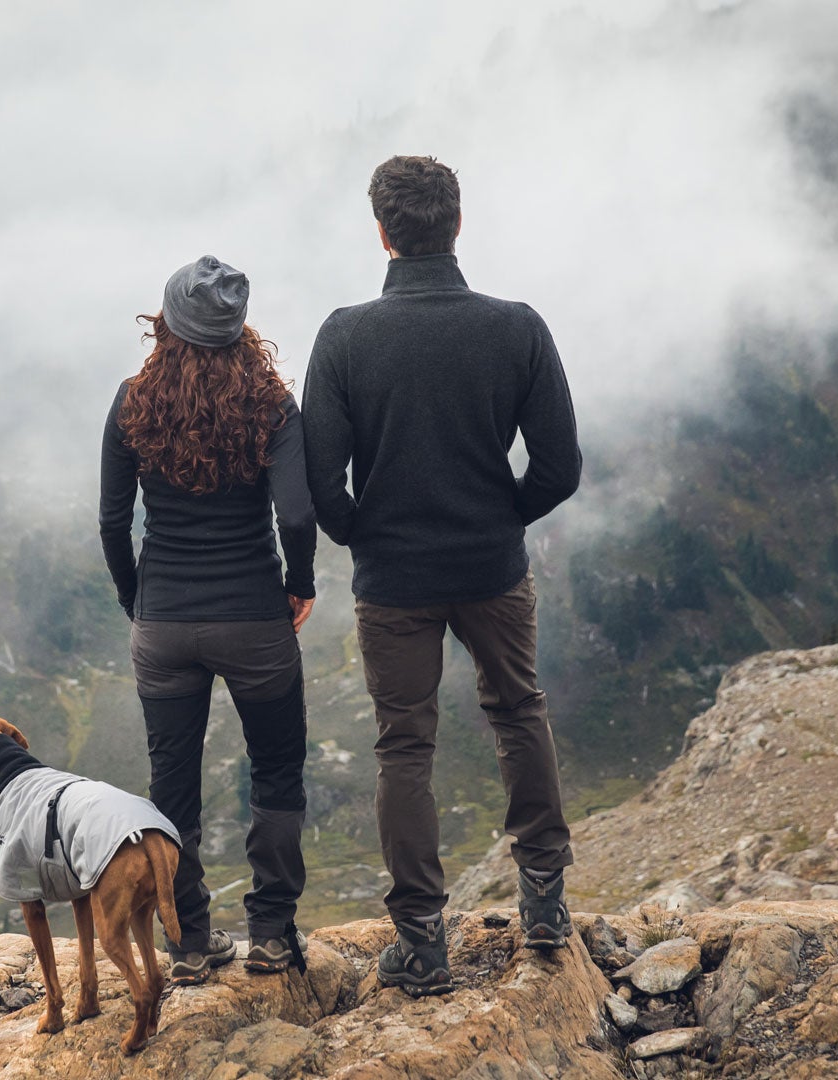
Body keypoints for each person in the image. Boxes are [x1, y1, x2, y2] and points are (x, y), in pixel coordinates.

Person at [302, 156, 582, 997]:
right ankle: (545, 907)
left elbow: (322, 482)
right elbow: (559, 467)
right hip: (491, 567)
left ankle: (422, 944)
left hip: (393, 581)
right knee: (519, 712)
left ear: (382, 232)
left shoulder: (345, 336)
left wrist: (364, 534)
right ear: (456, 225)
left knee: (403, 746)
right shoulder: (517, 327)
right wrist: (501, 518)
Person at [100, 255, 317, 984]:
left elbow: (110, 521)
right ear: (239, 330)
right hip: (254, 616)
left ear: (165, 323)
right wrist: (300, 583)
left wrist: (138, 598)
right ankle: (273, 935)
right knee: (278, 773)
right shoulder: (271, 404)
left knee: (172, 786)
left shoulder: (133, 402)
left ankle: (190, 941)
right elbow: (296, 512)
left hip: (164, 622)